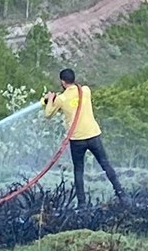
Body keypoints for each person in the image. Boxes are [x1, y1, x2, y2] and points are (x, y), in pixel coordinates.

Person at [42, 67, 124, 207]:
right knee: (105, 164)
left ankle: (82, 204)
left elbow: (48, 114)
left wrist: (49, 99)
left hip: (77, 140)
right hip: (93, 135)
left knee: (78, 170)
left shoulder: (61, 99)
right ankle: (122, 195)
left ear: (62, 81)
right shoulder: (86, 91)